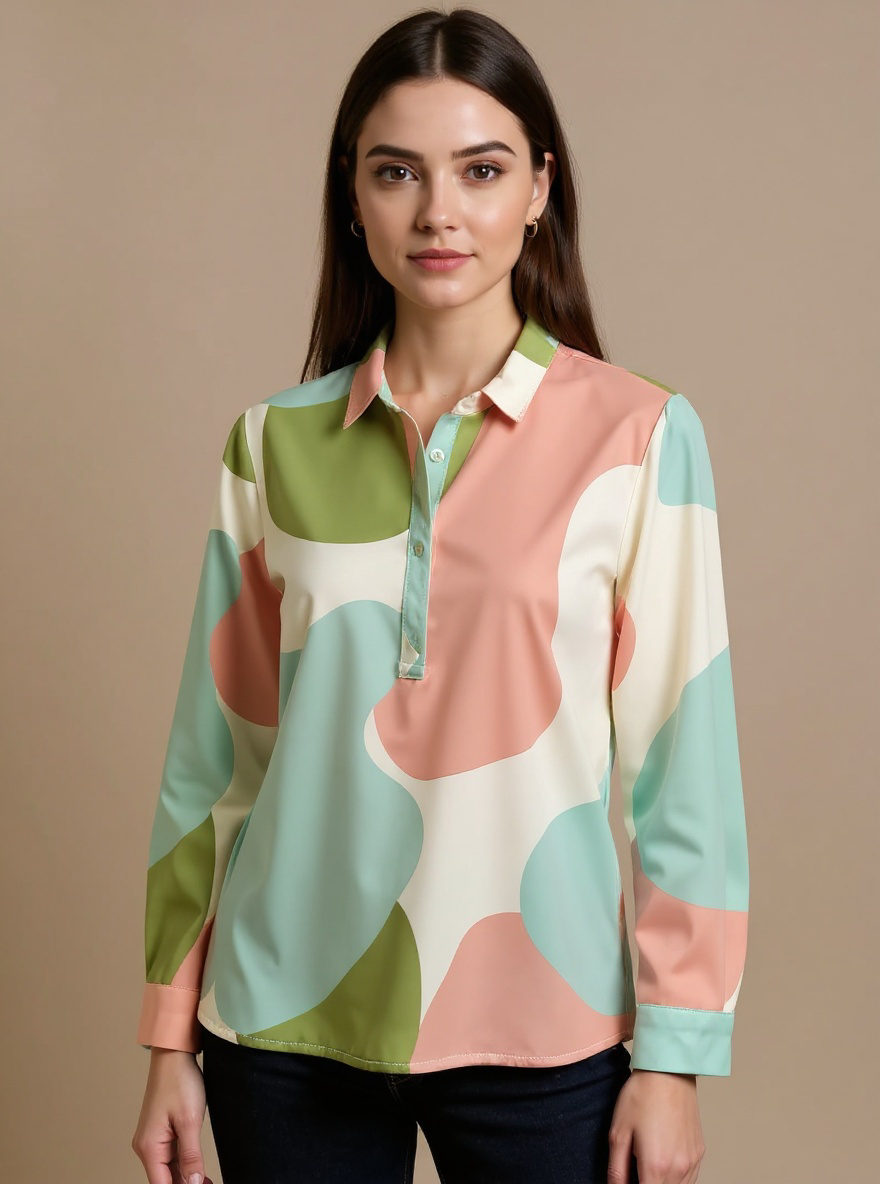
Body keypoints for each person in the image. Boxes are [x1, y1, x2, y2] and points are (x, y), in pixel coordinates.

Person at [131, 8, 749, 1184]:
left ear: (539, 189)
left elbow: (686, 768)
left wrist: (675, 1053)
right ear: (352, 196)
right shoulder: (271, 442)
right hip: (282, 1020)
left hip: (546, 1017)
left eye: (481, 169)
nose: (437, 212)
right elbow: (215, 761)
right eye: (396, 171)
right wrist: (168, 1031)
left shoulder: (640, 436)